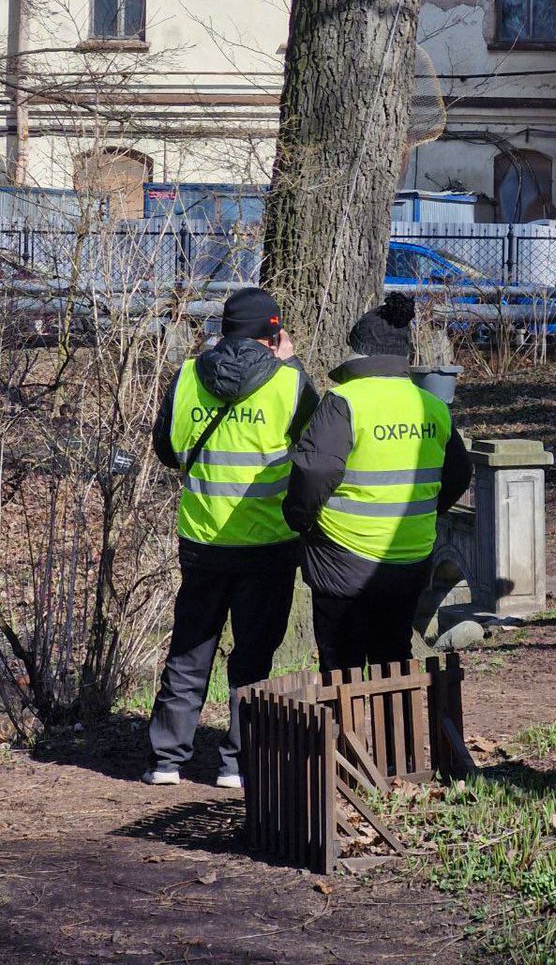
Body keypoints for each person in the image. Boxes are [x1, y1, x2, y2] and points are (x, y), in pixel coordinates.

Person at [143, 287, 318, 786]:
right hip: (268, 544)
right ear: (273, 334)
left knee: (189, 649)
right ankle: (237, 764)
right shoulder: (290, 381)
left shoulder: (187, 377)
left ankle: (166, 760)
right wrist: (292, 363)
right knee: (253, 656)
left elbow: (166, 450)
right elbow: (314, 454)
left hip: (202, 541)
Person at [282, 293, 472, 672]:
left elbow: (315, 471)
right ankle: (396, 714)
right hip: (410, 559)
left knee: (343, 668)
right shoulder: (432, 406)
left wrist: (299, 519)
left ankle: (346, 714)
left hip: (343, 559)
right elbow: (459, 474)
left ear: (356, 353)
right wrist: (422, 514)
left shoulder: (345, 401)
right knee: (394, 660)